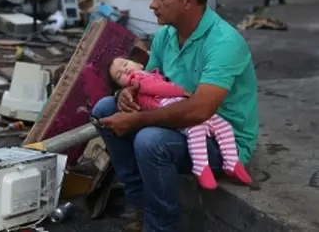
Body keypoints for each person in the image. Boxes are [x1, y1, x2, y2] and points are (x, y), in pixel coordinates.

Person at [92, 0, 258, 232]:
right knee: (104, 108)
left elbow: (199, 111)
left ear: (188, 1)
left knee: (149, 140)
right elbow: (147, 82)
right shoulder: (165, 36)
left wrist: (137, 119)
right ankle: (143, 207)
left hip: (220, 138)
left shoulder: (224, 43)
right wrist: (125, 93)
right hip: (179, 124)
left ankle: (162, 226)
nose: (152, 4)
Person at [107, 57, 252, 190]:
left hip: (183, 106)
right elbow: (158, 88)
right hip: (168, 108)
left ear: (139, 63)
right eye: (120, 75)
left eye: (125, 64)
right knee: (195, 129)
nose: (125, 70)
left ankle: (232, 162)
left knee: (223, 126)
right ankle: (201, 167)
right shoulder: (138, 79)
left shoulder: (150, 73)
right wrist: (182, 91)